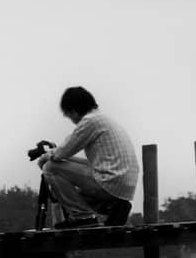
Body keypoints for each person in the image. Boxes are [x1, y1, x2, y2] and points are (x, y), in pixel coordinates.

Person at [36, 86, 138, 227]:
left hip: (110, 182)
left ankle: (83, 218)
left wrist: (45, 157)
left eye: (69, 115)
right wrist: (53, 153)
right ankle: (114, 206)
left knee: (50, 168)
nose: (72, 120)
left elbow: (63, 151)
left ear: (73, 110)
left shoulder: (89, 121)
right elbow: (66, 154)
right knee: (76, 194)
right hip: (122, 185)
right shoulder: (101, 119)